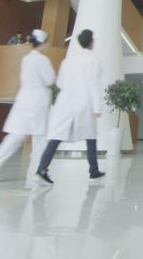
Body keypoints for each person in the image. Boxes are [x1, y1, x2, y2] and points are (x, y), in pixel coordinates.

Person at [0, 29, 57, 182]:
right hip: (38, 102)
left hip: (23, 100)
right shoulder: (42, 60)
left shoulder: (26, 59)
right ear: (43, 43)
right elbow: (50, 80)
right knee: (40, 137)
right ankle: (39, 170)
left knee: (16, 135)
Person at [35, 29, 105, 184]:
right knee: (91, 137)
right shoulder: (94, 60)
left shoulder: (68, 61)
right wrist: (97, 107)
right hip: (84, 103)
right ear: (91, 42)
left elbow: (60, 83)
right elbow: (94, 84)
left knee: (56, 137)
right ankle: (93, 171)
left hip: (65, 102)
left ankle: (42, 167)